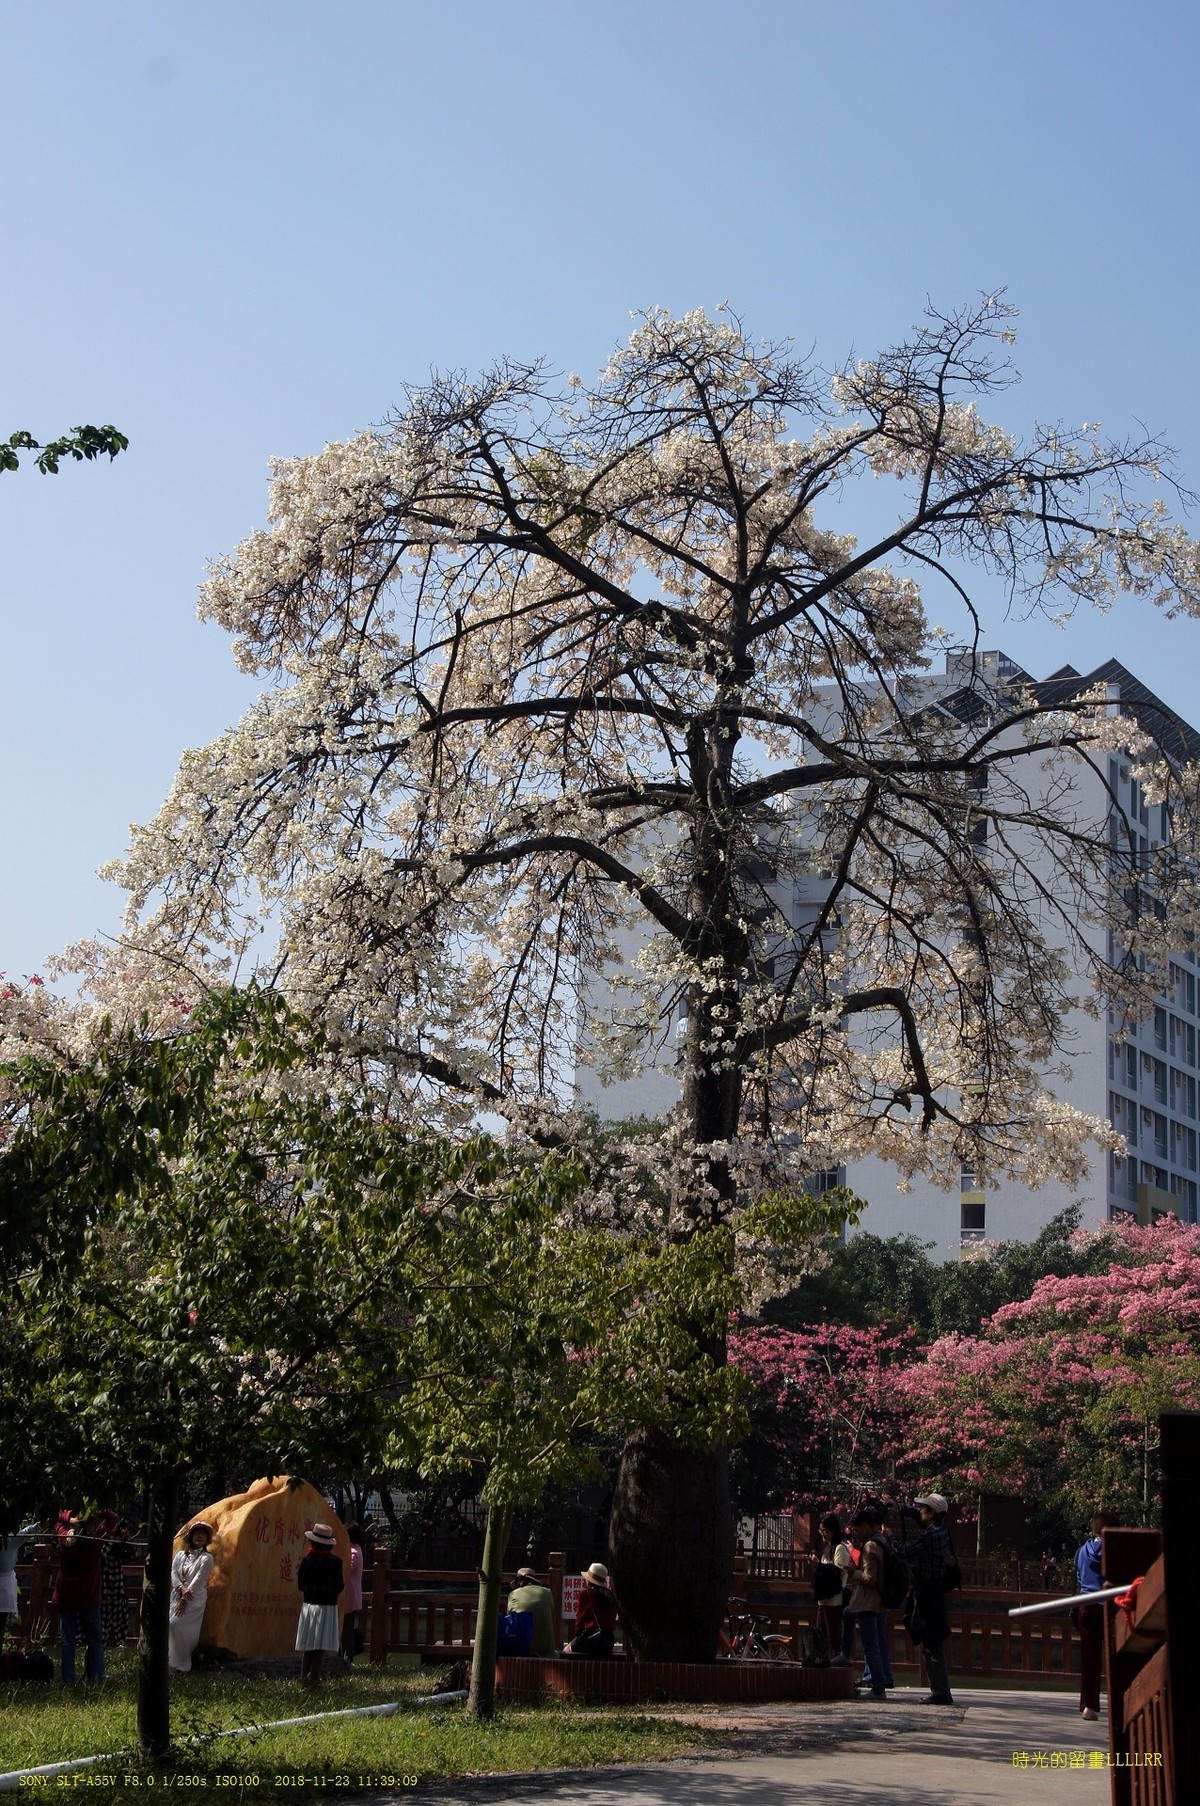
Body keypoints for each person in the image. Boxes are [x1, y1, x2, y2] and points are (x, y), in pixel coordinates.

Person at [891, 1492, 955, 1706]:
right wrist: (902, 1508)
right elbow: (919, 1519)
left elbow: (903, 1552)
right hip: (933, 1592)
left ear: (932, 1513)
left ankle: (940, 1692)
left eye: (923, 1509)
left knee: (930, 1642)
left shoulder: (930, 1536)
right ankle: (940, 1690)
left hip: (927, 1594)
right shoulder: (941, 1532)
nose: (920, 1512)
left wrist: (889, 1536)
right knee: (929, 1638)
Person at [53, 1510, 117, 1684]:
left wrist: (69, 1519)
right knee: (95, 1639)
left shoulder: (66, 1541)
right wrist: (92, 1510)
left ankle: (68, 1679)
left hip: (67, 1596)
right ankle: (97, 1677)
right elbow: (113, 1518)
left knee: (68, 1640)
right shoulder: (96, 1541)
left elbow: (57, 1521)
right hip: (89, 1597)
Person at [1074, 1511, 1114, 1722]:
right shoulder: (1115, 1549)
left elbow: (1079, 1577)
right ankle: (1120, 1704)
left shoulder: (1082, 1551)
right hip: (1110, 1607)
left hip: (1087, 1607)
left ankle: (1088, 1706)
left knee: (1090, 1660)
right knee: (1117, 1658)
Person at [846, 1509, 890, 1698]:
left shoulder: (870, 1546)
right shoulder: (883, 1541)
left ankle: (878, 1687)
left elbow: (870, 1578)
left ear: (865, 1526)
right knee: (847, 1614)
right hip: (876, 1599)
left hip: (868, 1600)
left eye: (857, 1529)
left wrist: (852, 1573)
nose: (856, 1533)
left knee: (870, 1645)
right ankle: (844, 1652)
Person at [296, 1524, 344, 1686]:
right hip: (328, 1606)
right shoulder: (336, 1562)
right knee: (321, 1645)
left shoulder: (307, 1561)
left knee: (309, 1644)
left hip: (309, 1605)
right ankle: (315, 1677)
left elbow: (300, 1584)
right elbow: (339, 1585)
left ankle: (304, 1676)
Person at [169, 1520, 215, 1673]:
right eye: (197, 1534)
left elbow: (199, 1580)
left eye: (203, 1535)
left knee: (177, 1626)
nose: (199, 1537)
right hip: (176, 1595)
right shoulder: (181, 1555)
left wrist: (185, 1599)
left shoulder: (206, 1558)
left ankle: (181, 1663)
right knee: (170, 1626)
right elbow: (174, 1572)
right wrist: (181, 1588)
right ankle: (169, 1662)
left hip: (194, 1600)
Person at [812, 1514, 851, 1667]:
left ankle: (837, 1669)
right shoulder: (827, 1549)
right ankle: (823, 1666)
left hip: (834, 1600)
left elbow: (838, 1572)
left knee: (833, 1637)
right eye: (821, 1531)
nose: (823, 1534)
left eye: (825, 1531)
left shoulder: (840, 1548)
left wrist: (819, 1566)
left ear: (834, 1531)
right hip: (823, 1599)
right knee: (821, 1635)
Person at [564, 1561, 617, 1657]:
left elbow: (579, 1621)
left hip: (591, 1637)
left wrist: (578, 1637)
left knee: (566, 1651)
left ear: (589, 1580)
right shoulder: (611, 1595)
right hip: (608, 1640)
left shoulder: (586, 1594)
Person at [101, 1519, 136, 1650]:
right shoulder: (102, 1545)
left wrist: (127, 1539)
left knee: (117, 1629)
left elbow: (134, 1555)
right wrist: (112, 1537)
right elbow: (103, 1554)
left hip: (116, 1593)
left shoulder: (118, 1550)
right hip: (102, 1592)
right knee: (100, 1632)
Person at [507, 1565, 556, 1658]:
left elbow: (510, 1617)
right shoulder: (547, 1592)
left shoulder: (513, 1594)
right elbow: (552, 1613)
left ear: (518, 1581)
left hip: (519, 1648)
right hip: (545, 1652)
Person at [340, 1522, 364, 1664]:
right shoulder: (357, 1549)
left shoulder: (353, 1552)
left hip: (349, 1596)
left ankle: (347, 1659)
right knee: (346, 1629)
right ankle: (345, 1657)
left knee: (346, 1631)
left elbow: (347, 1567)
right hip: (351, 1596)